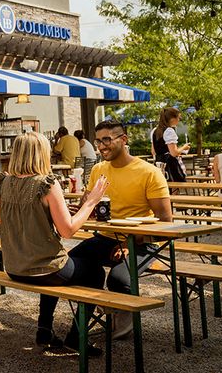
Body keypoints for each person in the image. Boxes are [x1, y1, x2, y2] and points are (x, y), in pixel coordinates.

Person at [0, 132, 109, 355]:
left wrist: (42, 214)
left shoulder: (4, 182)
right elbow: (67, 230)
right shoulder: (47, 183)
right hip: (44, 268)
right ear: (42, 154)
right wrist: (91, 202)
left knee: (62, 264)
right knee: (94, 272)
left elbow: (0, 218)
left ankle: (45, 331)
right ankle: (76, 337)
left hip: (14, 268)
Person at [69, 120, 172, 340]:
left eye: (107, 139)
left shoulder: (149, 172)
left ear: (123, 139)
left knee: (118, 279)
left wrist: (130, 242)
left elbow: (165, 221)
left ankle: (122, 320)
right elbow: (88, 205)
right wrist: (81, 207)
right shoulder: (98, 169)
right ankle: (93, 314)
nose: (101, 146)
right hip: (106, 237)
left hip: (142, 241)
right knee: (67, 264)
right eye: (98, 141)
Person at [151, 106, 190, 182]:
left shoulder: (155, 131)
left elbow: (153, 151)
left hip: (159, 165)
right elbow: (174, 153)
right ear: (172, 119)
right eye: (178, 118)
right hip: (170, 167)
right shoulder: (169, 131)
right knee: (176, 187)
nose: (179, 120)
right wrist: (184, 147)